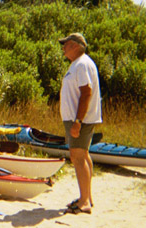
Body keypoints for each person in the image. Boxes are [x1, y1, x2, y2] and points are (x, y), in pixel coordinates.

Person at [57, 33, 102, 215]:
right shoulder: (79, 64)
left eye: (65, 44)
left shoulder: (82, 63)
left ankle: (84, 201)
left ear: (75, 45)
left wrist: (78, 121)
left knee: (78, 157)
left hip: (80, 119)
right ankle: (87, 197)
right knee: (83, 155)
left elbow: (86, 92)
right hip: (77, 119)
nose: (63, 48)